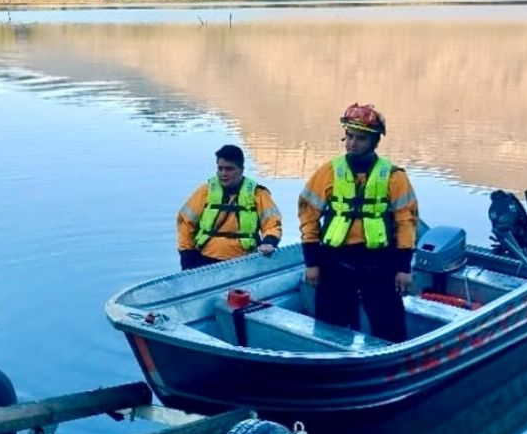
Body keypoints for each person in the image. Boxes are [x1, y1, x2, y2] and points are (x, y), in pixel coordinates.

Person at [298, 103, 418, 343]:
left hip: (379, 262)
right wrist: (312, 263)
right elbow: (308, 216)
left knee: (389, 326)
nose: (352, 143)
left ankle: (389, 365)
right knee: (329, 327)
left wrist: (403, 269)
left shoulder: (394, 177)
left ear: (375, 141)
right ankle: (329, 366)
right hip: (336, 260)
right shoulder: (328, 172)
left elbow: (406, 222)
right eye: (349, 136)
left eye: (361, 138)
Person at [177, 145, 282, 270]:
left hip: (244, 260)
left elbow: (272, 224)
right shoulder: (205, 191)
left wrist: (269, 242)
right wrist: (187, 254)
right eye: (220, 169)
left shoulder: (257, 193)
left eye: (229, 169)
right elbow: (185, 223)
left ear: (241, 170)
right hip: (204, 259)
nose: (223, 174)